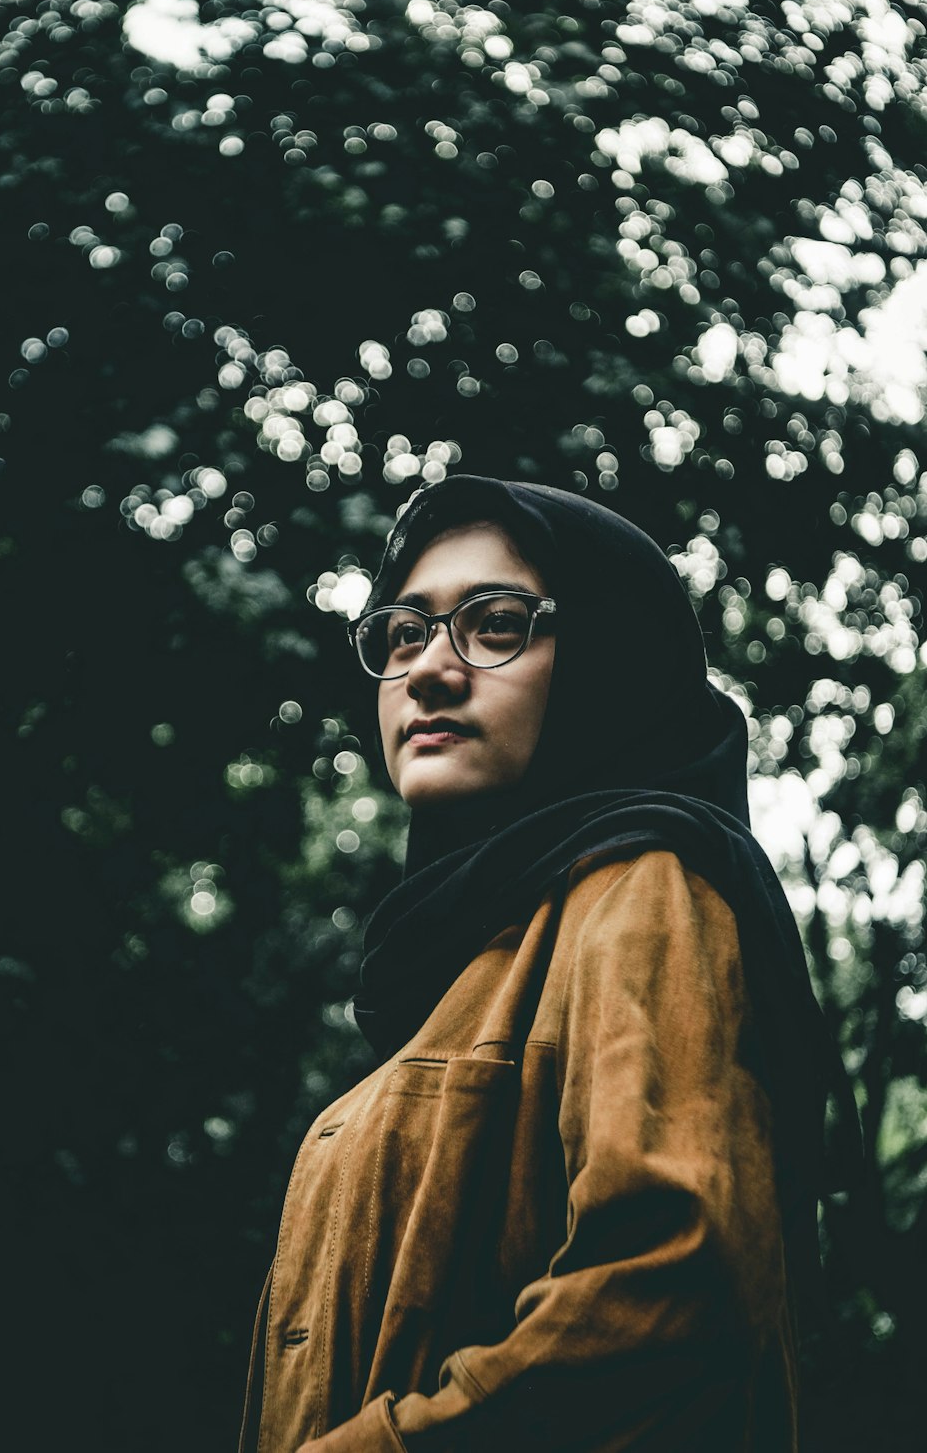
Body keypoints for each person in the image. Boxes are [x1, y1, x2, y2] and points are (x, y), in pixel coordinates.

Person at [239, 475, 857, 1452]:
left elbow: (668, 1287)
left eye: (493, 625)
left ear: (609, 660)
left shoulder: (643, 884)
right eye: (402, 635)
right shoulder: (464, 964)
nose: (428, 672)